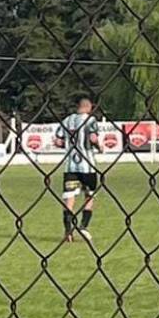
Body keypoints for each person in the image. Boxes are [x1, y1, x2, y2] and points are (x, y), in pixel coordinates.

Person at [54, 97, 100, 243]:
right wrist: (100, 146)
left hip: (70, 167)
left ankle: (68, 232)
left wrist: (67, 145)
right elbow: (93, 138)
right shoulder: (90, 120)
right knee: (89, 196)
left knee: (69, 199)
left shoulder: (67, 120)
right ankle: (83, 226)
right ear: (89, 107)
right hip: (87, 166)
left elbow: (58, 141)